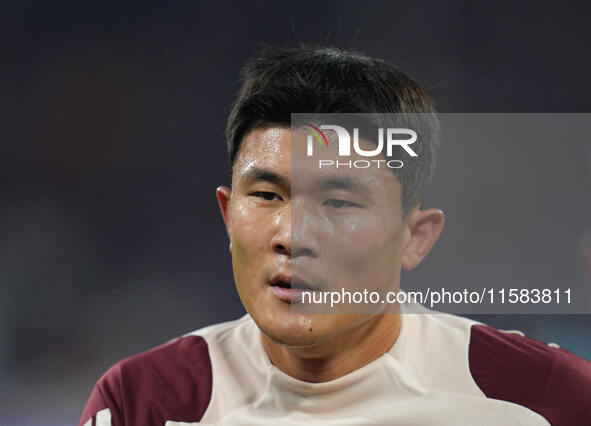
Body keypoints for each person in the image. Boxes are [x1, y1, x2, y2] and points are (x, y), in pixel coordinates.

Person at [79, 45, 591, 426]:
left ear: (415, 236)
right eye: (267, 196)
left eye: (339, 202)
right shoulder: (143, 402)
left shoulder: (542, 401)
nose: (293, 236)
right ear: (228, 213)